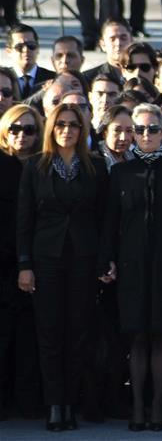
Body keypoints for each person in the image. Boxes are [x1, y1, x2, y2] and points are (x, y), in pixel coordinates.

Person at [101, 103, 162, 431]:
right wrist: (107, 261)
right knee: (136, 339)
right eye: (138, 130)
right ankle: (138, 407)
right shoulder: (120, 173)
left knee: (160, 338)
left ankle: (157, 406)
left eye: (151, 129)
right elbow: (109, 224)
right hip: (131, 268)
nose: (144, 135)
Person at [16, 103, 108, 431]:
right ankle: (54, 405)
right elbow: (24, 220)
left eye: (74, 125)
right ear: (51, 129)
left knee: (78, 333)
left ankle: (71, 402)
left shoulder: (95, 166)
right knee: (50, 334)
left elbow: (104, 219)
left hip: (83, 260)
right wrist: (25, 264)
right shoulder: (36, 167)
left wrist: (102, 261)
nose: (67, 130)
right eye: (61, 125)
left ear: (83, 131)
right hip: (46, 261)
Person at [0, 104, 43, 421]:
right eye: (14, 128)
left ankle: (28, 401)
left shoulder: (44, 166)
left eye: (28, 129)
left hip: (37, 263)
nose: (21, 135)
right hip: (1, 262)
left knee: (30, 338)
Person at [7, 25, 54, 98]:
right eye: (19, 47)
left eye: (31, 45)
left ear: (38, 49)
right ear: (9, 51)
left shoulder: (52, 79)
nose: (26, 50)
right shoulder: (3, 79)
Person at [84, 17, 133, 85]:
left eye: (123, 38)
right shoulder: (88, 79)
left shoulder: (144, 72)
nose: (118, 43)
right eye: (112, 39)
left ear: (131, 41)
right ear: (102, 44)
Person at [97, 104, 135, 169]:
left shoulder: (135, 157)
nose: (123, 138)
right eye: (117, 130)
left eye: (129, 131)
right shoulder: (94, 161)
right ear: (105, 132)